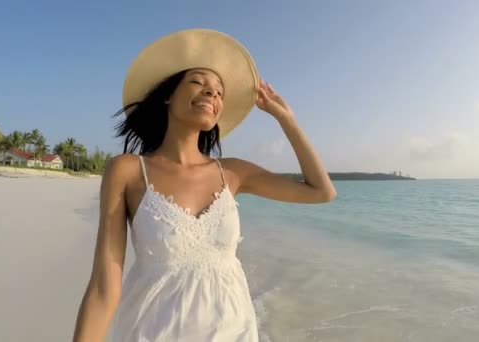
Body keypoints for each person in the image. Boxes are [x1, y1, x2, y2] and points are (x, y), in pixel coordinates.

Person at [72, 28, 336, 342]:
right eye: (198, 82)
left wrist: (285, 119)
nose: (212, 93)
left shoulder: (233, 173)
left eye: (220, 92)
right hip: (152, 332)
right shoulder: (128, 170)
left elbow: (321, 191)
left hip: (233, 331)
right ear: (168, 93)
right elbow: (104, 286)